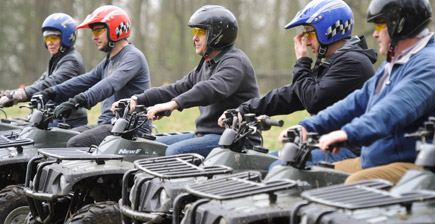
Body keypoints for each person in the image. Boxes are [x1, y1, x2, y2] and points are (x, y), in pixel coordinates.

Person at [286, 0, 435, 184]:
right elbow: (358, 100)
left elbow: (393, 109)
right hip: (374, 160)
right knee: (308, 175)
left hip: (412, 164)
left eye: (380, 25)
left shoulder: (428, 65)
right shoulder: (395, 62)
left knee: (352, 186)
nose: (375, 33)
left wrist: (349, 133)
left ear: (400, 25)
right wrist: (309, 126)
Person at [219, 0, 377, 168]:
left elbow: (313, 99)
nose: (307, 42)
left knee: (280, 168)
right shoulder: (335, 61)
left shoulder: (353, 63)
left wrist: (302, 62)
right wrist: (245, 109)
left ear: (328, 32)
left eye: (309, 34)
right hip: (326, 143)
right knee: (258, 163)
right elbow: (293, 94)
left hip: (350, 148)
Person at [112, 5, 259, 157]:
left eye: (200, 32)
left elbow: (212, 88)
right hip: (207, 135)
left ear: (218, 35)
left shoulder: (235, 62)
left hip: (235, 139)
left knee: (174, 152)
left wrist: (174, 104)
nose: (194, 38)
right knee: (148, 145)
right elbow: (176, 89)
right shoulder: (207, 64)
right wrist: (137, 99)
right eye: (194, 32)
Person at [38, 5, 151, 147]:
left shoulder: (133, 57)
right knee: (60, 138)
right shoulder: (108, 61)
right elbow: (84, 80)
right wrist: (52, 92)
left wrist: (78, 101)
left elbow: (109, 84)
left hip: (131, 129)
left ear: (115, 29)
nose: (94, 37)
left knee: (75, 143)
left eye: (98, 31)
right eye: (93, 32)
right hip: (110, 125)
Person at [0, 13, 87, 127]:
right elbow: (38, 83)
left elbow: (48, 84)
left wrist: (18, 95)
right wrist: (11, 94)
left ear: (67, 38)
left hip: (67, 120)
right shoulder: (58, 59)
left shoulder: (71, 61)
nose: (49, 42)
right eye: (47, 38)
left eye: (54, 38)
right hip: (53, 116)